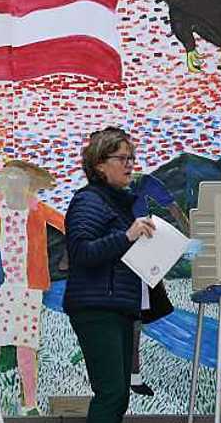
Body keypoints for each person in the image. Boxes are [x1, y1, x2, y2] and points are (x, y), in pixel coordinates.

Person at [63, 127, 156, 423]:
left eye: (132, 158)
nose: (130, 164)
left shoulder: (117, 202)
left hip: (118, 307)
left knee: (119, 395)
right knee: (111, 392)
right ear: (100, 164)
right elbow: (81, 251)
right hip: (97, 309)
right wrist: (127, 237)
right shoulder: (89, 200)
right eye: (122, 158)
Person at [0, 160, 65, 416]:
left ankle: (29, 403)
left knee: (26, 346)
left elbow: (67, 224)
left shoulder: (37, 207)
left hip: (28, 286)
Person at [126, 172, 188, 397]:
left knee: (134, 321)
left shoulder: (142, 181)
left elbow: (172, 207)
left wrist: (187, 235)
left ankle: (133, 377)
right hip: (113, 255)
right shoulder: (99, 188)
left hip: (140, 255)